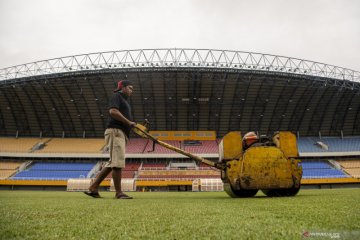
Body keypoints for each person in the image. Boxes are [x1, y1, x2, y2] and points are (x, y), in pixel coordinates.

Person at [84, 80, 136, 199]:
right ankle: (118, 193)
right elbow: (113, 111)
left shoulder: (124, 101)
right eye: (130, 88)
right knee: (117, 163)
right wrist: (128, 122)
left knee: (112, 162)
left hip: (120, 133)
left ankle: (93, 187)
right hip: (116, 131)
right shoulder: (116, 96)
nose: (131, 90)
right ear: (122, 87)